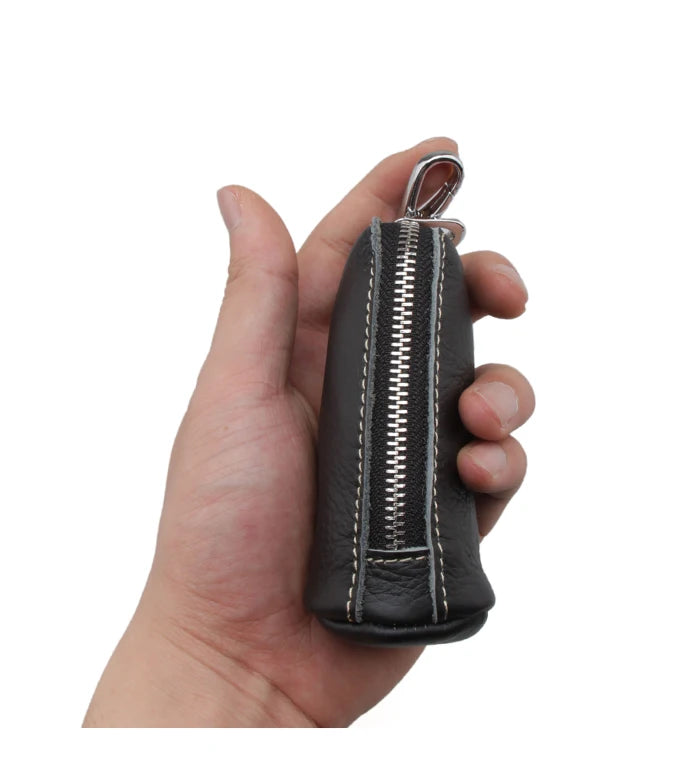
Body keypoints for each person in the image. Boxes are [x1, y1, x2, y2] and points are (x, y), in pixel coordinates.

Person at [82, 138, 535, 727]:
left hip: (345, 591)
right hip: (383, 589)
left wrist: (212, 670)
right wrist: (212, 656)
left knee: (482, 416)